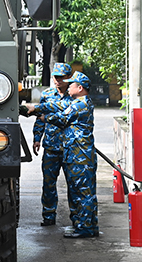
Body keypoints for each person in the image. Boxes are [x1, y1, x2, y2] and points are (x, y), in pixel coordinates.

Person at [23, 71, 97, 238]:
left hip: (80, 156)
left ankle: (85, 228)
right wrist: (36, 109)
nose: (68, 86)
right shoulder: (79, 102)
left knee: (82, 192)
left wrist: (40, 114)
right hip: (77, 155)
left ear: (80, 88)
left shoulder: (80, 104)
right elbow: (57, 106)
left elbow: (61, 118)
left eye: (71, 84)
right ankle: (86, 225)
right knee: (81, 191)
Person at [33, 62, 73, 227]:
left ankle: (77, 218)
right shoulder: (47, 94)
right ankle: (48, 215)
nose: (58, 81)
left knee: (73, 184)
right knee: (48, 183)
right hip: (51, 147)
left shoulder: (75, 95)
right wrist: (37, 138)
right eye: (55, 77)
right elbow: (40, 118)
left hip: (71, 147)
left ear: (68, 78)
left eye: (61, 78)